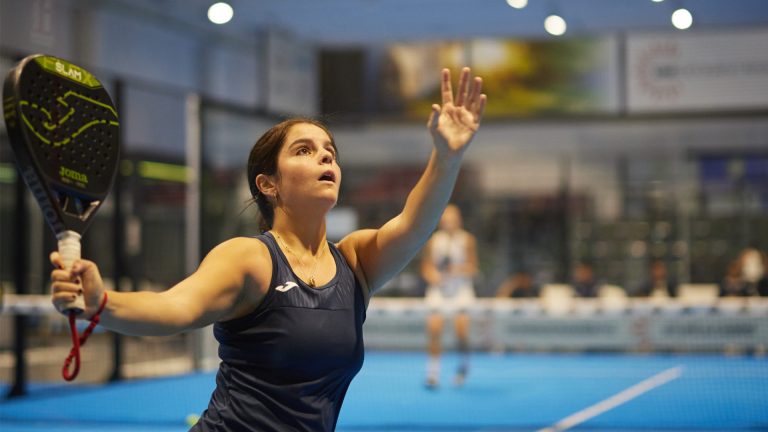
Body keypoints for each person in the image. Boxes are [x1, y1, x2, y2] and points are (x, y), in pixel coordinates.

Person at [50, 67, 487, 431]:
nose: (326, 158)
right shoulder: (250, 258)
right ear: (268, 184)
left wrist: (446, 158)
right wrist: (101, 303)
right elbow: (176, 308)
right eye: (304, 150)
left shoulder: (354, 261)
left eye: (330, 152)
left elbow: (414, 225)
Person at [420, 203, 478, 389]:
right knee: (434, 328)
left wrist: (457, 270)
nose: (449, 222)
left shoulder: (467, 240)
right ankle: (433, 373)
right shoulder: (433, 241)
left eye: (452, 219)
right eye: (446, 219)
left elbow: (473, 268)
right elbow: (426, 268)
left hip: (461, 290)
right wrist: (434, 276)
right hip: (439, 290)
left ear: (459, 220)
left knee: (461, 331)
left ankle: (463, 366)